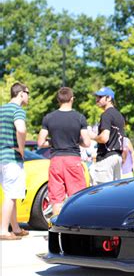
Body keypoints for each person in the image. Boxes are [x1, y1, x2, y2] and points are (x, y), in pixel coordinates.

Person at [37, 87, 91, 216]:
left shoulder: (49, 118)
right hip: (73, 160)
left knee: (56, 199)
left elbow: (40, 142)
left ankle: (58, 230)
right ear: (72, 99)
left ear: (58, 100)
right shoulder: (79, 118)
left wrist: (53, 141)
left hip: (56, 161)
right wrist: (76, 141)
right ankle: (76, 228)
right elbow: (87, 142)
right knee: (77, 197)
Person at [0, 82, 30, 240]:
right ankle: (3, 230)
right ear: (21, 94)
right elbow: (21, 129)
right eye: (28, 93)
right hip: (11, 157)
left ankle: (16, 228)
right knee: (11, 195)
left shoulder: (1, 109)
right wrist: (21, 149)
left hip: (1, 157)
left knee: (10, 193)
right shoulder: (17, 110)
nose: (28, 97)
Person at [89, 87, 125, 185]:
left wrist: (92, 136)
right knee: (115, 193)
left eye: (100, 97)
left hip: (106, 158)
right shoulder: (119, 115)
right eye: (96, 97)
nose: (97, 100)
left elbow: (104, 138)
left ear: (109, 98)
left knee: (101, 193)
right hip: (117, 158)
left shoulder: (106, 115)